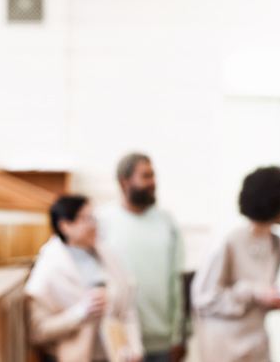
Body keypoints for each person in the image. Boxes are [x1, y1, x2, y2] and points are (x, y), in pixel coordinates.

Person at [191, 166, 280, 362]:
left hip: (256, 344)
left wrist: (277, 301)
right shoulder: (229, 240)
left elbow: (258, 300)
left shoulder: (277, 244)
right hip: (224, 346)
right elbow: (204, 298)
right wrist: (254, 291)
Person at [26, 195, 144, 362]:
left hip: (113, 354)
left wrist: (134, 347)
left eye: (93, 218)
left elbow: (127, 307)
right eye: (86, 219)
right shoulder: (48, 269)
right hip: (72, 356)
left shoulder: (109, 257)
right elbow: (38, 331)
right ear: (65, 225)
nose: (93, 225)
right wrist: (81, 312)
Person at [96, 153, 188, 362]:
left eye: (153, 176)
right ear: (124, 181)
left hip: (162, 342)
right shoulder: (102, 221)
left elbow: (177, 282)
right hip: (120, 341)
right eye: (146, 176)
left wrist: (178, 336)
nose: (153, 183)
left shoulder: (167, 222)